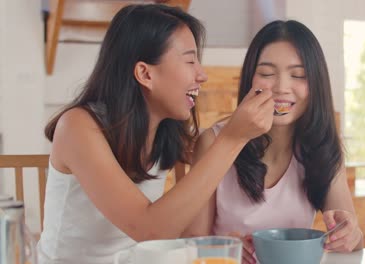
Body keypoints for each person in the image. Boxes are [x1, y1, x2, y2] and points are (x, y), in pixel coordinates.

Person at [37, 4, 274, 264]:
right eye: (189, 60)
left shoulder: (162, 131)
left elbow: (166, 228)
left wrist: (214, 246)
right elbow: (149, 230)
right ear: (145, 73)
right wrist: (233, 138)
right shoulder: (78, 127)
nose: (202, 75)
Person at [182, 20, 364, 263]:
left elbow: (352, 239)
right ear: (249, 79)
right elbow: (193, 239)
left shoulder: (321, 146)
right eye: (267, 74)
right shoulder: (214, 141)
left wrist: (350, 234)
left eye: (298, 75)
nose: (281, 87)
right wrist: (225, 246)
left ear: (316, 85)